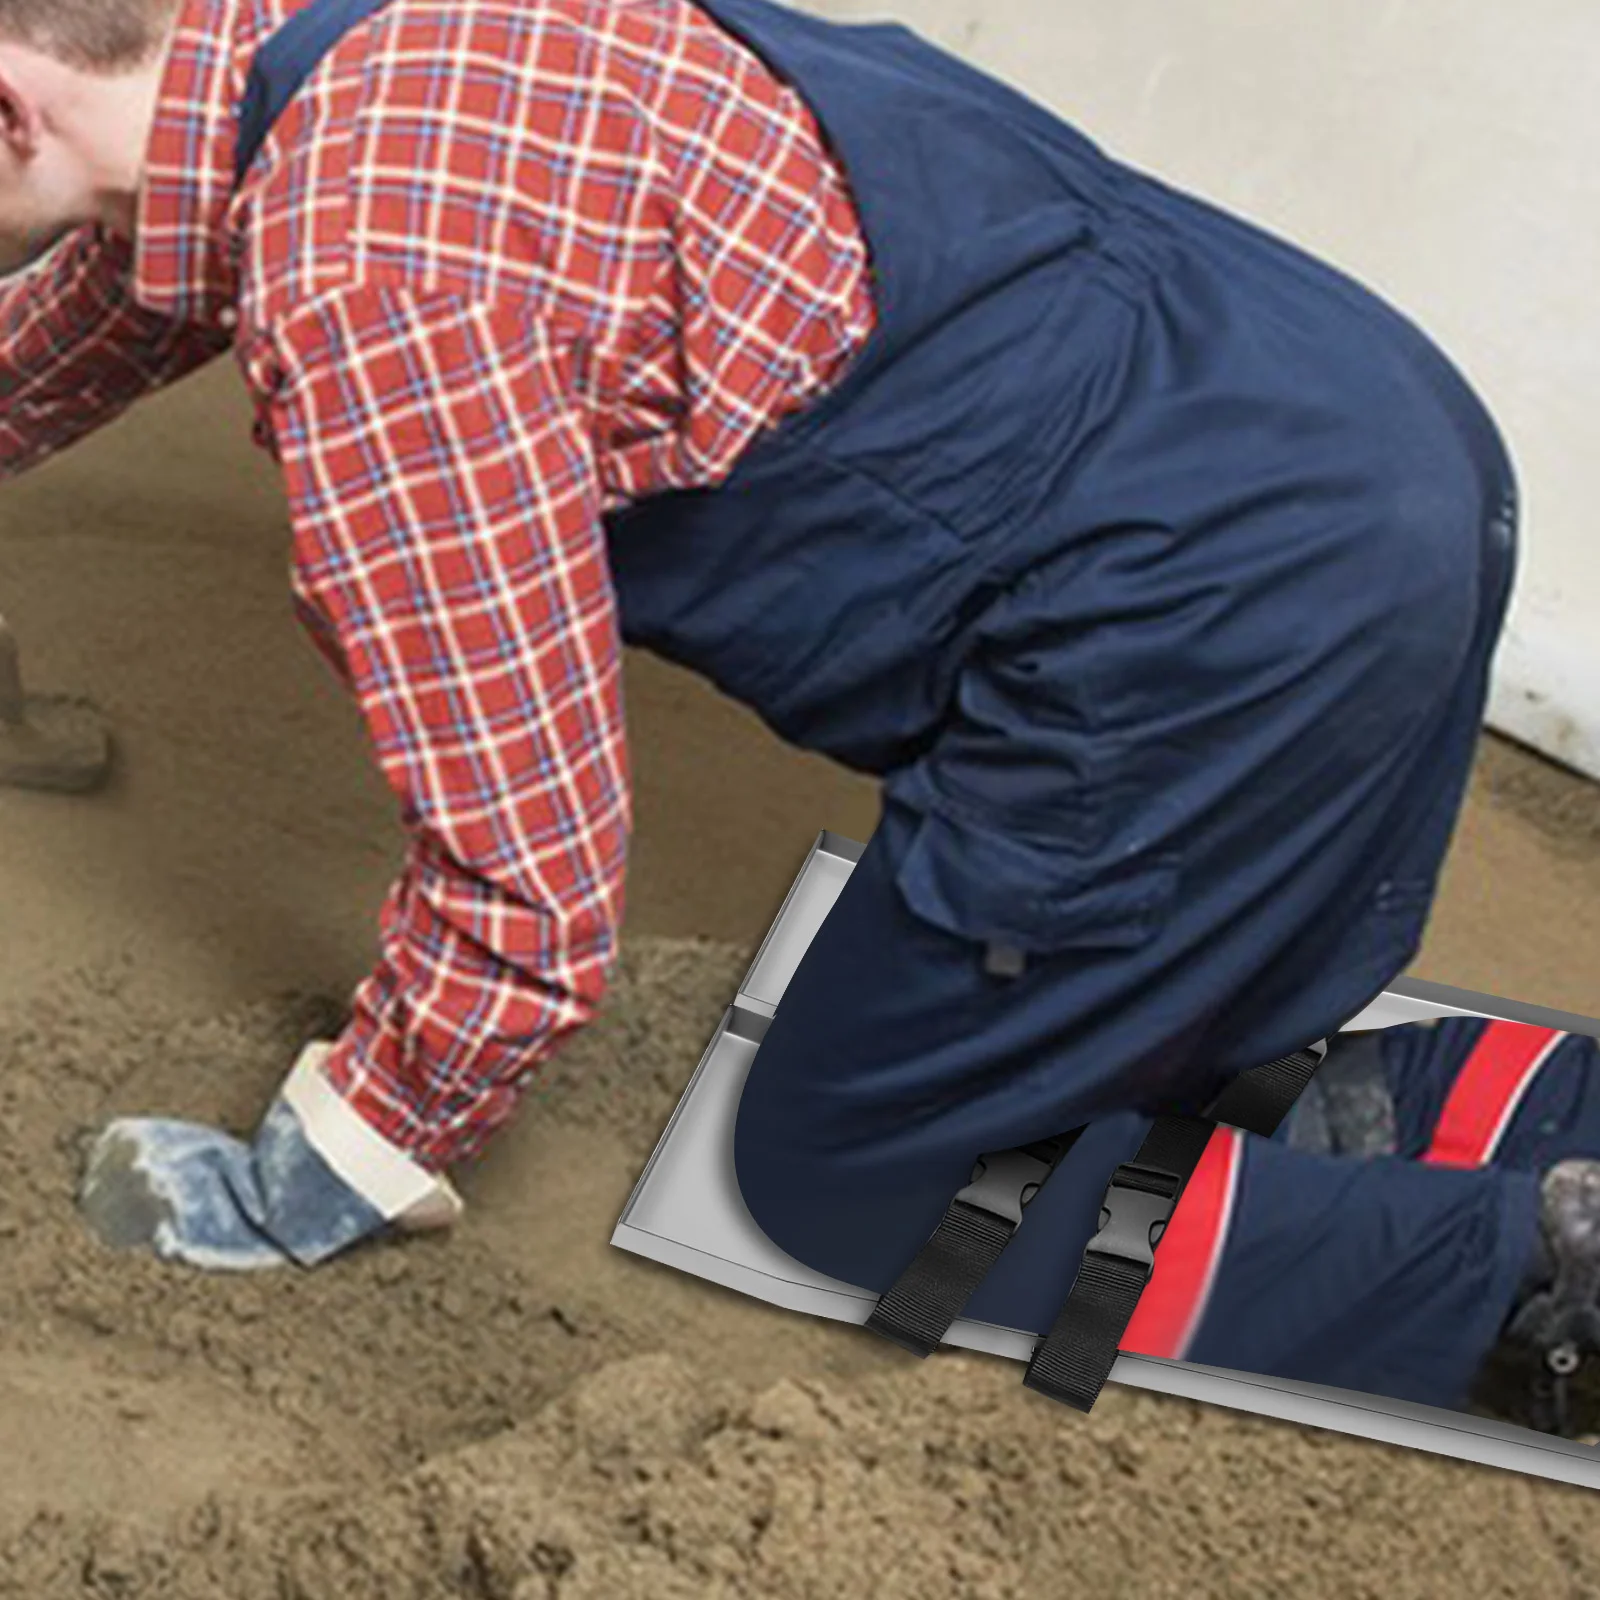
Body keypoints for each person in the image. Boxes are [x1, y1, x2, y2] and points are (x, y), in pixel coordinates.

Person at [4, 0, 1595, 1419]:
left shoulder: (375, 286)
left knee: (858, 1180)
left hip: (1214, 616)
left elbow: (529, 882)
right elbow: (150, 268)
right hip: (1348, 424)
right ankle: (1505, 1125)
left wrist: (339, 1156)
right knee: (1190, 1029)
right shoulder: (301, 51)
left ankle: (1525, 1276)